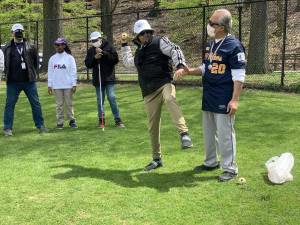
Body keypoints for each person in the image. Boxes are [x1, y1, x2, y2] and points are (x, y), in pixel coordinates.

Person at [174, 9, 246, 181]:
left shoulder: (234, 46)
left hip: (224, 96)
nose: (209, 26)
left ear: (221, 27)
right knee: (209, 132)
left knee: (225, 133)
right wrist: (189, 71)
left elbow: (239, 75)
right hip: (209, 95)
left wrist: (235, 100)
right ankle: (211, 162)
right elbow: (207, 67)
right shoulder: (211, 44)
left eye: (212, 23)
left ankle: (230, 168)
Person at [120, 19, 193, 172]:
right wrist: (124, 45)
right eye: (142, 33)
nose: (146, 35)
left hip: (164, 83)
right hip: (148, 92)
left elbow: (175, 49)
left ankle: (184, 134)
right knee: (152, 126)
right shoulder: (139, 52)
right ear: (138, 36)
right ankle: (156, 159)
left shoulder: (160, 41)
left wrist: (179, 65)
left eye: (148, 32)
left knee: (170, 98)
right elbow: (128, 63)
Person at [2, 23, 48, 136]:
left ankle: (40, 125)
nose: (19, 33)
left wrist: (33, 73)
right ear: (12, 33)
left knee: (35, 103)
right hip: (13, 82)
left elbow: (36, 63)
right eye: (16, 31)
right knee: (9, 105)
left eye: (20, 31)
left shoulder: (31, 46)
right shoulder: (7, 47)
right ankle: (7, 128)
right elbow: (4, 63)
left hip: (29, 81)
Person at [85, 31, 125, 128]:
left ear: (100, 39)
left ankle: (118, 120)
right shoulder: (91, 51)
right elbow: (88, 64)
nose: (94, 42)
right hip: (98, 80)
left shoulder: (109, 47)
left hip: (109, 78)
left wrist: (103, 53)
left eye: (96, 40)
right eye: (92, 40)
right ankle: (101, 120)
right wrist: (95, 58)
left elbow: (115, 60)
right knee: (100, 100)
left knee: (112, 97)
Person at [48, 37, 78, 129]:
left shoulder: (69, 58)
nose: (58, 47)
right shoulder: (52, 58)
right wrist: (49, 85)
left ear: (64, 46)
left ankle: (71, 120)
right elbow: (50, 72)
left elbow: (73, 71)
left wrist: (74, 84)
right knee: (59, 105)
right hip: (57, 85)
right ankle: (60, 122)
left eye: (60, 45)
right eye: (56, 45)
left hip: (68, 85)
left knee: (69, 104)